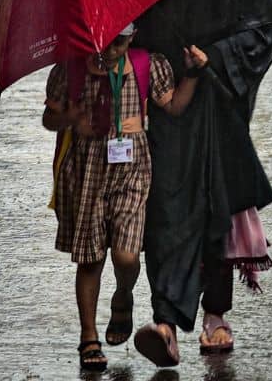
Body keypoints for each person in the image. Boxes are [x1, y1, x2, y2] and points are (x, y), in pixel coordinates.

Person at [130, 0, 272, 368]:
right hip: (170, 101)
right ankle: (165, 321)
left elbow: (267, 28)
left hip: (219, 102)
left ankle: (214, 313)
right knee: (168, 206)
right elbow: (135, 31)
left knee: (217, 203)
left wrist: (214, 57)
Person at [42, 23, 208, 372]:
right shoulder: (69, 70)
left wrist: (192, 73)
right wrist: (70, 117)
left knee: (127, 254)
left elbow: (173, 104)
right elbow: (49, 117)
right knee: (89, 260)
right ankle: (89, 337)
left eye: (119, 41)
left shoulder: (149, 64)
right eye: (103, 41)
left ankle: (123, 294)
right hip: (85, 173)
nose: (111, 49)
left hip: (132, 170)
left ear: (132, 37)